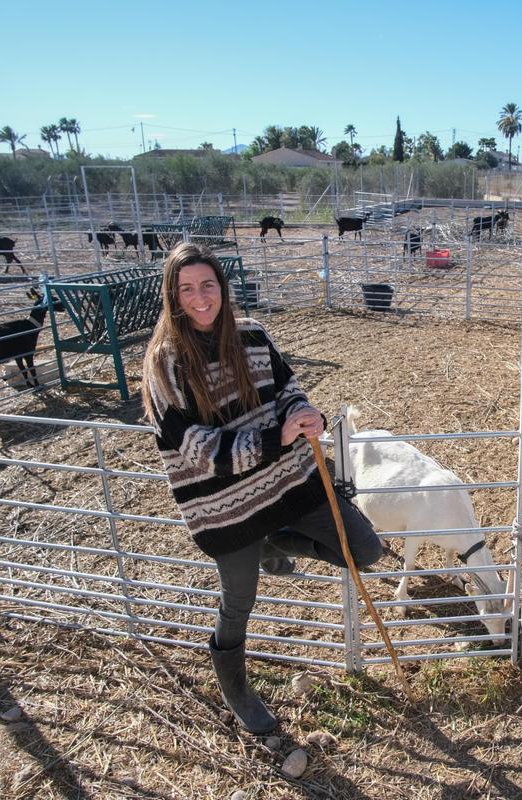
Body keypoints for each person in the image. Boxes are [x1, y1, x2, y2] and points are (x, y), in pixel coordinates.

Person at [141, 243, 382, 734]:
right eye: (186, 289)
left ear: (222, 288)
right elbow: (201, 452)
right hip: (227, 508)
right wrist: (277, 436)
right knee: (238, 605)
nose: (200, 297)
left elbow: (288, 387)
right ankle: (238, 692)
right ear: (172, 296)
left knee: (366, 548)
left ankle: (275, 542)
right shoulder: (165, 365)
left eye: (208, 285)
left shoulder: (252, 336)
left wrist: (302, 412)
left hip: (288, 482)